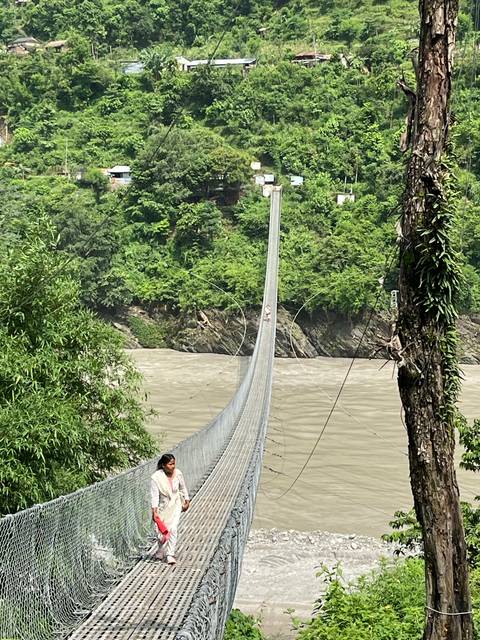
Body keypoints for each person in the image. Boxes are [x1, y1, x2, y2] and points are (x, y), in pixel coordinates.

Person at [150, 453, 190, 565]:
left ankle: (170, 554)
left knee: (173, 528)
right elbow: (154, 496)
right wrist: (154, 511)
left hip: (176, 505)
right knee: (162, 531)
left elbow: (183, 487)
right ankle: (161, 550)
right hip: (163, 506)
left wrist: (187, 500)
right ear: (163, 465)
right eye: (170, 464)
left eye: (174, 464)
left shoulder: (178, 474)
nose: (173, 466)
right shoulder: (156, 478)